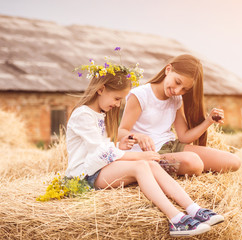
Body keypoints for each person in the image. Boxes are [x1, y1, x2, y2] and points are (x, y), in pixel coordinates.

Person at [65, 55, 224, 237]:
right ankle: (176, 219)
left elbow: (101, 148)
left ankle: (194, 209)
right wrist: (140, 156)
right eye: (117, 99)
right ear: (100, 90)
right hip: (83, 177)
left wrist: (120, 144)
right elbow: (102, 152)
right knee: (142, 165)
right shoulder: (82, 115)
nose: (118, 105)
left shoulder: (98, 114)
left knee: (150, 164)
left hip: (98, 169)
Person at [117, 54, 241, 176]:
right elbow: (120, 132)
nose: (177, 91)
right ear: (168, 70)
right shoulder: (140, 95)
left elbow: (184, 137)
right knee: (194, 163)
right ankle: (147, 166)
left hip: (171, 146)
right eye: (177, 82)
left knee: (233, 162)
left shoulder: (176, 99)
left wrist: (208, 121)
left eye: (184, 89)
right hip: (149, 153)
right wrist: (138, 136)